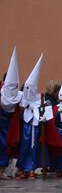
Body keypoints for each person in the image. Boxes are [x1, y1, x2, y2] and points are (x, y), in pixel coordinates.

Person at [0, 48, 22, 180]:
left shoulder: (18, 97)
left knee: (6, 148)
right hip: (1, 124)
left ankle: (2, 171)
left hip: (9, 127)